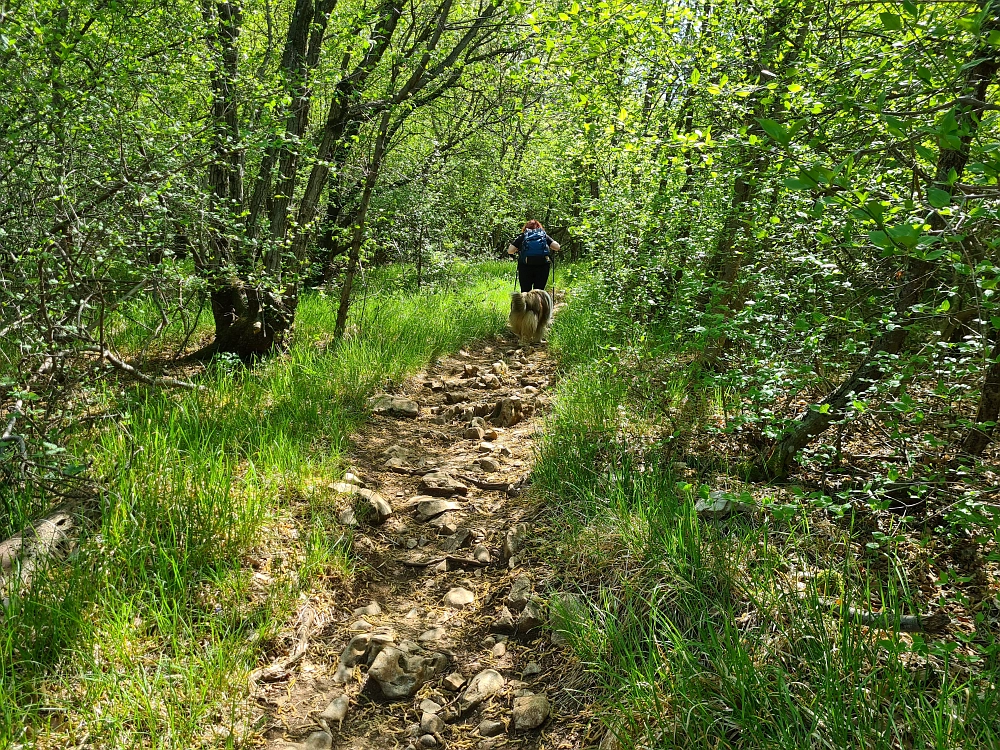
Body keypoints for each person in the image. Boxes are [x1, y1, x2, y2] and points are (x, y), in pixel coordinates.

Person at [507, 220, 560, 293]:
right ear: (539, 228)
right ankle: (537, 304)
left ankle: (526, 304)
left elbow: (510, 250)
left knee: (525, 292)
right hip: (542, 267)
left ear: (526, 228)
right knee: (539, 292)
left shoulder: (523, 236)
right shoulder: (544, 236)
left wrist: (518, 249)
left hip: (525, 267)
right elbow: (557, 247)